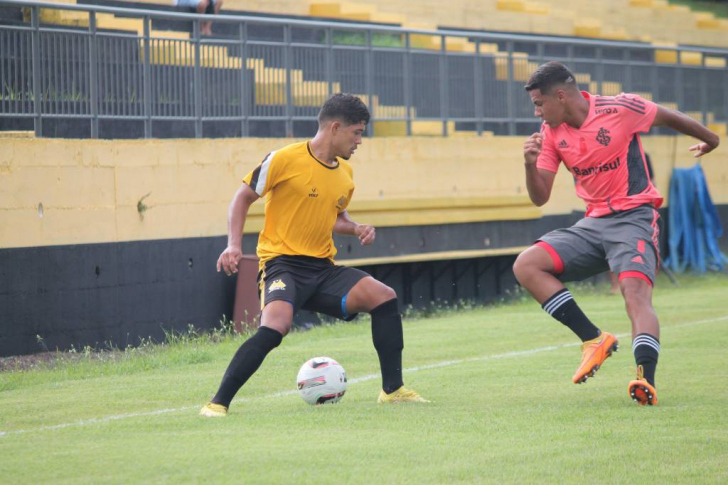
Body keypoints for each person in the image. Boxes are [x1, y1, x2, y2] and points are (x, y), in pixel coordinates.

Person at [200, 94, 427, 417]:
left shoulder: (345, 174)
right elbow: (242, 198)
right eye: (357, 132)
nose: (360, 141)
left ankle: (393, 391)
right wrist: (234, 245)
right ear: (335, 128)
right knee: (276, 326)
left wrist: (356, 228)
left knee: (384, 297)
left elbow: (335, 217)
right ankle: (217, 402)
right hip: (282, 265)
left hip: (322, 269)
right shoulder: (284, 159)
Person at [512, 61, 719, 406]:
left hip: (635, 217)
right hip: (592, 224)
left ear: (560, 96)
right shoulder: (550, 134)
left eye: (539, 103)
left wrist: (710, 139)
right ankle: (593, 339)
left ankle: (644, 380)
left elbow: (668, 116)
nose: (536, 112)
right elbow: (540, 197)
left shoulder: (621, 107)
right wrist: (529, 164)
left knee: (634, 293)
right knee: (526, 266)